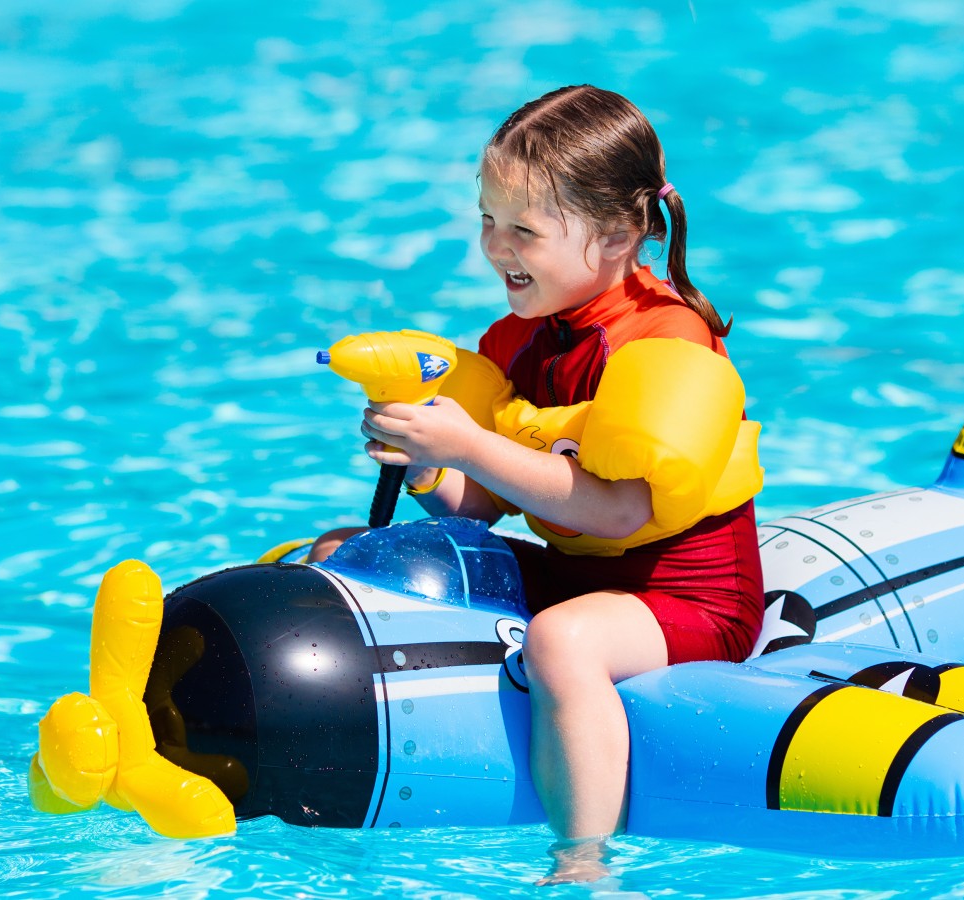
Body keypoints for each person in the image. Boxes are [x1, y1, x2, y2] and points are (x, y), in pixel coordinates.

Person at [310, 85, 764, 883]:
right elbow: (481, 510)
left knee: (565, 641)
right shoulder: (518, 339)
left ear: (620, 233)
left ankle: (585, 861)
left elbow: (620, 509)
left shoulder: (668, 338)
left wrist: (472, 441)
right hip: (575, 571)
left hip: (688, 596)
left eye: (524, 229)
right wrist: (427, 465)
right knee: (347, 553)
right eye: (487, 219)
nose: (496, 246)